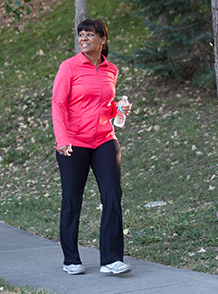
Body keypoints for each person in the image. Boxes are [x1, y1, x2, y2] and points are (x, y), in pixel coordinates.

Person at [52, 19, 132, 275]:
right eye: (81, 34)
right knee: (72, 200)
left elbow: (105, 106)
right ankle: (71, 260)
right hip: (74, 143)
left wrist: (118, 108)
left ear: (102, 40)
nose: (84, 38)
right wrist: (62, 139)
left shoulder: (111, 69)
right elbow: (59, 104)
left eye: (90, 34)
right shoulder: (69, 67)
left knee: (112, 195)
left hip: (104, 140)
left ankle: (111, 259)